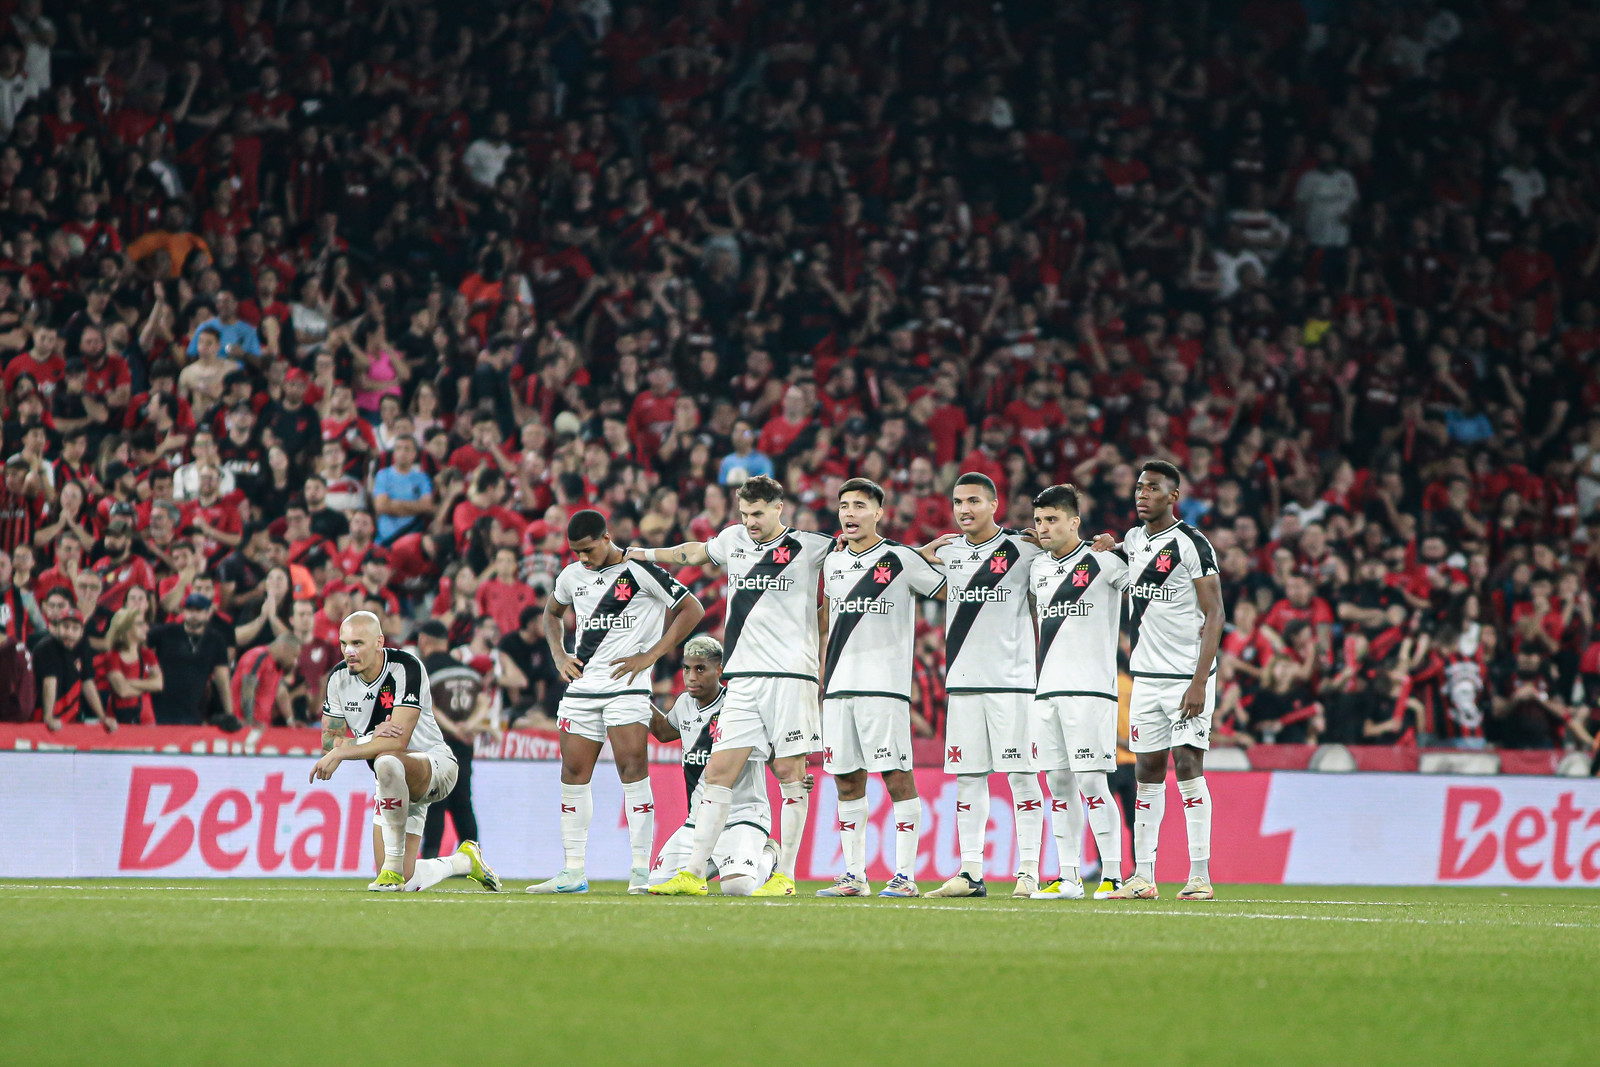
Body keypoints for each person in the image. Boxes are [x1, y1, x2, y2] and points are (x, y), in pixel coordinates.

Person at [637, 475, 834, 898]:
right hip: (742, 679)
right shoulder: (733, 540)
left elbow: (863, 558)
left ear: (779, 508)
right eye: (744, 514)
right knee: (717, 772)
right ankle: (692, 873)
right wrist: (639, 552)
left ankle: (785, 875)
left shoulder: (811, 547)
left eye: (758, 514)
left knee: (789, 773)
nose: (750, 523)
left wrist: (922, 553)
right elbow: (690, 552)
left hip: (791, 679)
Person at [531, 510, 704, 895]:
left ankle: (640, 871)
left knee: (633, 771)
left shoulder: (639, 569)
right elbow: (552, 613)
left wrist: (652, 656)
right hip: (582, 688)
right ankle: (573, 870)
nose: (583, 559)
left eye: (588, 550)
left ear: (606, 537)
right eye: (576, 552)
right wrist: (559, 656)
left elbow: (692, 609)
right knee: (573, 776)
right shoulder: (571, 576)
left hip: (627, 687)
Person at [1092, 460, 1225, 901]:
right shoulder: (1134, 540)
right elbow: (1128, 563)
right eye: (1138, 487)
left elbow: (1216, 613)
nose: (1141, 494)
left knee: (1187, 767)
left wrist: (1200, 681)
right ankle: (1143, 876)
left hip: (1186, 678)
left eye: (1152, 488)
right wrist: (1111, 547)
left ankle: (1200, 875)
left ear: (1173, 496)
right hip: (1145, 678)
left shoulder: (1192, 543)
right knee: (1147, 773)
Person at [817, 478, 947, 898]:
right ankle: (854, 874)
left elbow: (946, 590)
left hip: (884, 690)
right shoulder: (832, 563)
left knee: (896, 778)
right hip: (838, 689)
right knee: (847, 781)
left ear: (879, 513)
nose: (850, 513)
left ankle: (905, 874)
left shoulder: (900, 558)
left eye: (859, 506)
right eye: (844, 506)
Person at [311, 610, 500, 893]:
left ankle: (392, 867)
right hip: (390, 783)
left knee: (387, 761)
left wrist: (342, 751)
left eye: (358, 643)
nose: (349, 651)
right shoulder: (338, 678)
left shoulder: (406, 667)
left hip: (434, 766)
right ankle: (464, 861)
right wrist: (369, 737)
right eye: (343, 643)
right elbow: (330, 740)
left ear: (379, 642)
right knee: (404, 879)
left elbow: (396, 744)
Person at [923, 472, 1046, 899]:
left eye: (973, 501)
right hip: (963, 684)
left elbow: (1067, 554)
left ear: (994, 504)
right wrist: (922, 552)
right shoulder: (949, 552)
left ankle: (1028, 869)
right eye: (958, 502)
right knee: (968, 779)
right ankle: (971, 872)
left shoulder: (1023, 548)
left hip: (1012, 684)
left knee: (1022, 776)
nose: (964, 509)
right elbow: (901, 567)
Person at [1026, 484, 1131, 900]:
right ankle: (1068, 876)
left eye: (1052, 520)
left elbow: (1143, 569)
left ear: (1074, 522)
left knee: (1091, 781)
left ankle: (1113, 875)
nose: (1043, 528)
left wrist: (1118, 544)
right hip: (1047, 691)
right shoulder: (1038, 569)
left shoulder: (1104, 562)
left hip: (1090, 692)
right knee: (1059, 785)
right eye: (1038, 521)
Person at [646, 635, 783, 896]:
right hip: (698, 820)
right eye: (687, 668)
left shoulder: (738, 705)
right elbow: (664, 732)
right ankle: (711, 862)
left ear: (719, 670)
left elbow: (770, 750)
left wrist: (792, 777)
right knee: (656, 884)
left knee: (738, 888)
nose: (691, 677)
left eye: (700, 669)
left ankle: (769, 854)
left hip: (743, 815)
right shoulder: (684, 703)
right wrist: (639, 695)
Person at [415, 620, 496, 860]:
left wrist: (452, 728)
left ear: (423, 641)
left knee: (435, 803)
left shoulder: (423, 671)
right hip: (464, 745)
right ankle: (474, 860)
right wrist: (468, 726)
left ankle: (429, 859)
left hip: (436, 744)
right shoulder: (468, 671)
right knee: (463, 803)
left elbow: (427, 706)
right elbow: (484, 702)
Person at [147, 594, 239, 729]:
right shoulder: (166, 632)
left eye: (198, 611)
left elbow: (222, 681)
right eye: (189, 610)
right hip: (158, 710)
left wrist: (230, 714)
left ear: (208, 614)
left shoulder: (215, 639)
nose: (193, 614)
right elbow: (138, 646)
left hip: (191, 713)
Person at [97, 604, 162, 726]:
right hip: (117, 719)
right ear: (125, 628)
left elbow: (158, 684)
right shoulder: (112, 657)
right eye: (139, 624)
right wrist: (147, 686)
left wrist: (129, 682)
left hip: (145, 719)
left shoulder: (147, 654)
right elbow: (122, 691)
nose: (146, 627)